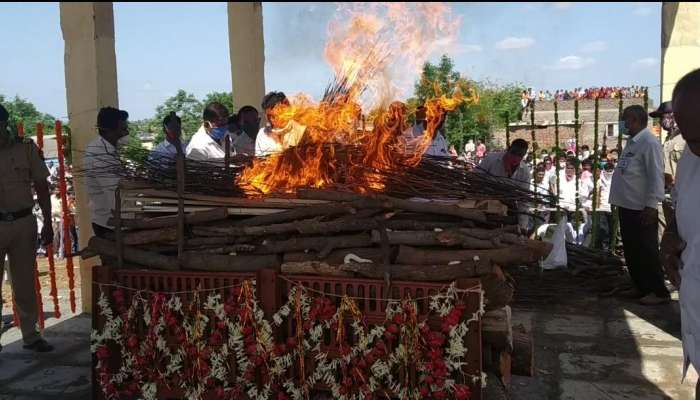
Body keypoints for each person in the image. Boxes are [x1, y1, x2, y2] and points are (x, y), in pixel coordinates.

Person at [0, 104, 54, 352]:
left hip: (23, 223)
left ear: (6, 124)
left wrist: (47, 222)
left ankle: (30, 335)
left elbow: (42, 186)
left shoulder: (26, 148)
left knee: (24, 282)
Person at [660, 68, 700, 395]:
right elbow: (682, 198)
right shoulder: (690, 153)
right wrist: (672, 232)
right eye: (688, 137)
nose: (693, 147)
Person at [609, 104, 669, 305]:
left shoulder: (649, 143)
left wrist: (652, 206)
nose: (622, 123)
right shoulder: (633, 143)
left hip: (641, 208)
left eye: (624, 119)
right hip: (627, 206)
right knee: (633, 250)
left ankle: (659, 292)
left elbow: (655, 176)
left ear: (634, 120)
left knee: (647, 250)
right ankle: (641, 286)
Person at [84, 107, 130, 239]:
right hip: (109, 223)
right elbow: (115, 194)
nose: (126, 133)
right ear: (109, 130)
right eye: (123, 129)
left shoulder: (108, 149)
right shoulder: (100, 153)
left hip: (114, 220)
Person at [477, 139, 531, 231]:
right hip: (485, 205)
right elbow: (476, 179)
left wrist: (523, 226)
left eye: (520, 155)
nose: (516, 157)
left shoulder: (524, 172)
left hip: (509, 209)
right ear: (508, 149)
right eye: (513, 153)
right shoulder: (491, 159)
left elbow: (524, 201)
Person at [255, 91, 305, 156]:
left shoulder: (301, 131)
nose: (271, 120)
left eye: (274, 116)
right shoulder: (262, 134)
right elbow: (258, 160)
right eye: (268, 116)